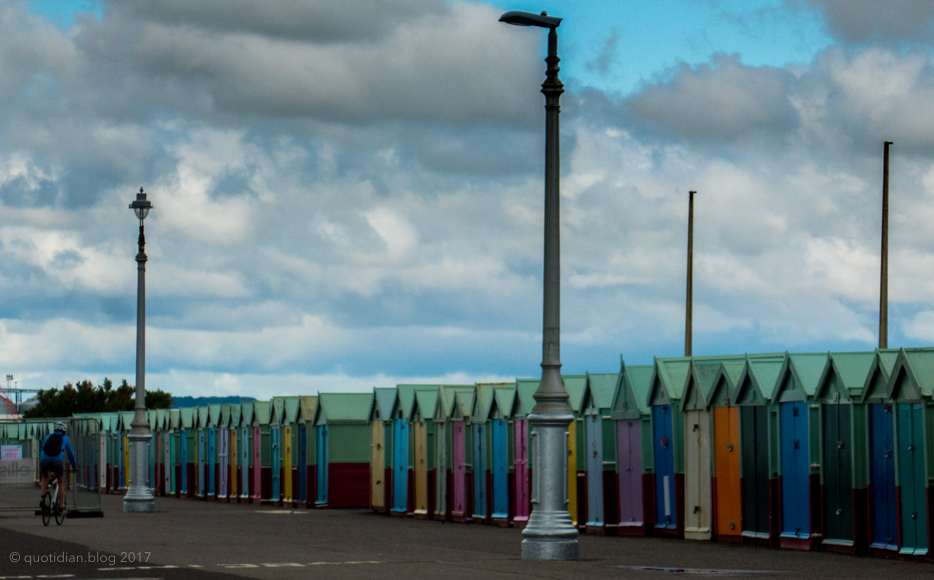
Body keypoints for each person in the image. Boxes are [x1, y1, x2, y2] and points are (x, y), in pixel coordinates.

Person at [39, 422, 78, 513]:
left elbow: (43, 449)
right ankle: (61, 508)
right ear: (64, 431)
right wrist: (74, 466)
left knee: (44, 477)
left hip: (44, 460)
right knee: (61, 483)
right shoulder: (65, 438)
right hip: (57, 461)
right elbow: (70, 454)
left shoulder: (48, 436)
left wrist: (42, 460)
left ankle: (43, 496)